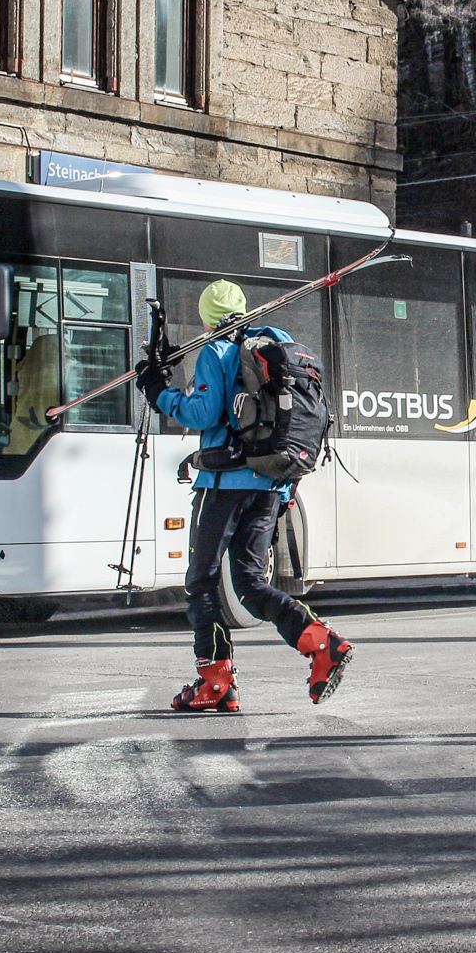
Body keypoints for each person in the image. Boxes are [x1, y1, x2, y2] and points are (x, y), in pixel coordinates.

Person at [137, 279, 352, 713]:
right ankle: (322, 644)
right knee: (251, 584)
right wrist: (286, 488)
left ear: (206, 317)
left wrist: (159, 393)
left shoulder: (216, 351)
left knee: (201, 581)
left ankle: (215, 680)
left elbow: (203, 412)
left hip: (224, 487)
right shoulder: (279, 345)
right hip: (272, 483)